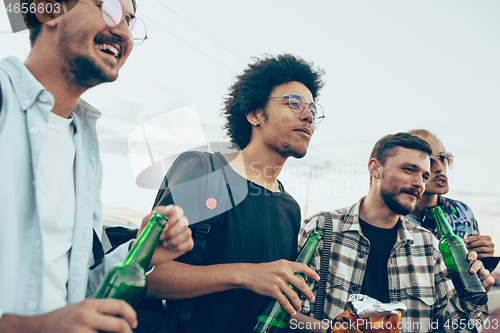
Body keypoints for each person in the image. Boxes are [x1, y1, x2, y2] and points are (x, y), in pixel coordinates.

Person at [0, 1, 193, 332]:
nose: (122, 32)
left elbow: (80, 283)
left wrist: (142, 252)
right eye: (109, 9)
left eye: (130, 21)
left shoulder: (83, 143)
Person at [141, 54, 325, 333]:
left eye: (312, 108)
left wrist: (333, 329)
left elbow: (268, 310)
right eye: (294, 103)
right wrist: (245, 274)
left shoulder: (290, 208)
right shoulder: (205, 172)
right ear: (254, 114)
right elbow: (147, 276)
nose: (308, 115)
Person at [292, 133, 494, 333]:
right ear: (375, 168)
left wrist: (470, 299)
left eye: (424, 176)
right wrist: (333, 331)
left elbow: (450, 328)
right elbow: (287, 315)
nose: (419, 183)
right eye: (409, 170)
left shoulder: (429, 246)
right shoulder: (321, 228)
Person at [406, 129, 495, 261]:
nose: (440, 168)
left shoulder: (462, 211)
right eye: (430, 161)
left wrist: (483, 257)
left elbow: (474, 274)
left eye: (443, 158)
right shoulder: (396, 214)